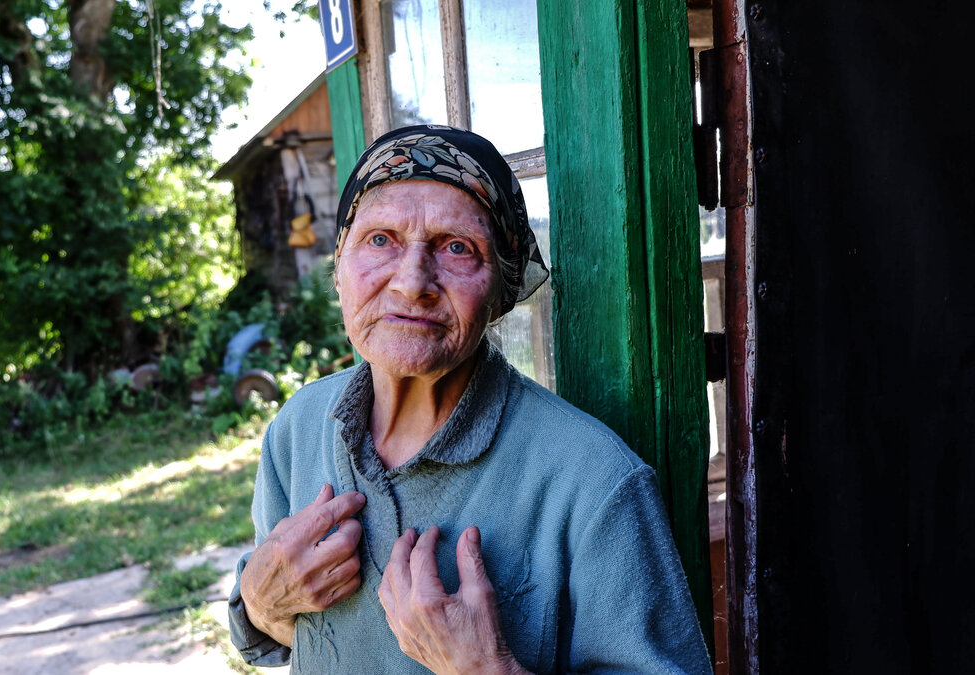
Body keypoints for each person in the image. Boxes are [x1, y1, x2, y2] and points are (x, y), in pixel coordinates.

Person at [228, 125, 711, 674]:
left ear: (503, 289)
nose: (412, 282)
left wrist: (488, 669)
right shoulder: (299, 426)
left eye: (457, 247)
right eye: (380, 239)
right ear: (339, 267)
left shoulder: (595, 481)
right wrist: (258, 607)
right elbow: (273, 628)